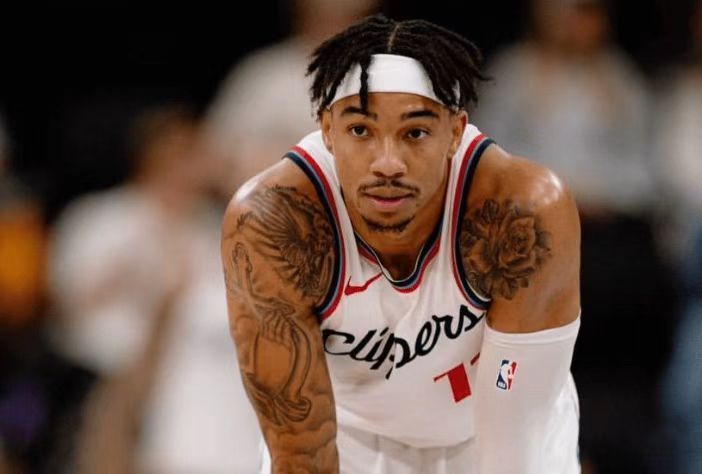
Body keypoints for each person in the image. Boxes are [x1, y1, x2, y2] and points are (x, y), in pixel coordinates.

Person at [221, 14, 581, 474]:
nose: (387, 163)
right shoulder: (274, 224)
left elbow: (514, 438)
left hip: (491, 425)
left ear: (455, 132)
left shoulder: (521, 211)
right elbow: (300, 451)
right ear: (327, 129)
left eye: (414, 133)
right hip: (350, 436)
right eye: (360, 131)